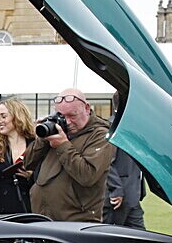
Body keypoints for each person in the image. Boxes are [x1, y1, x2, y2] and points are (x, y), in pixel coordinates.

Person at [22, 88, 113, 223]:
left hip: (76, 222)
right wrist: (42, 138)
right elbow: (28, 163)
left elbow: (87, 175)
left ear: (87, 108)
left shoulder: (100, 134)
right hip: (43, 218)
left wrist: (63, 144)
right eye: (62, 116)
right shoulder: (58, 130)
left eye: (73, 115)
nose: (68, 122)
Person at [103, 148, 146, 228]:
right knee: (108, 235)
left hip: (133, 195)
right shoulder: (114, 135)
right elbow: (105, 160)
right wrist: (116, 189)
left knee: (140, 235)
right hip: (115, 198)